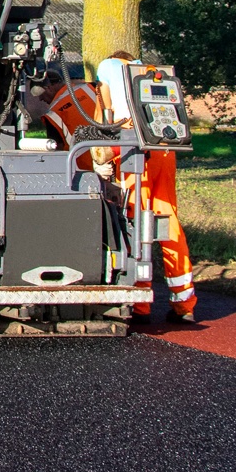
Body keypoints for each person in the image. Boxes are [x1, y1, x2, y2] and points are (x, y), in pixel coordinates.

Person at [96, 52, 197, 324]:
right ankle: (184, 304)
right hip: (165, 147)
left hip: (134, 144)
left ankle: (140, 304)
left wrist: (104, 155)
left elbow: (104, 116)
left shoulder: (107, 68)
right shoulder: (152, 71)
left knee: (135, 219)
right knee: (168, 220)